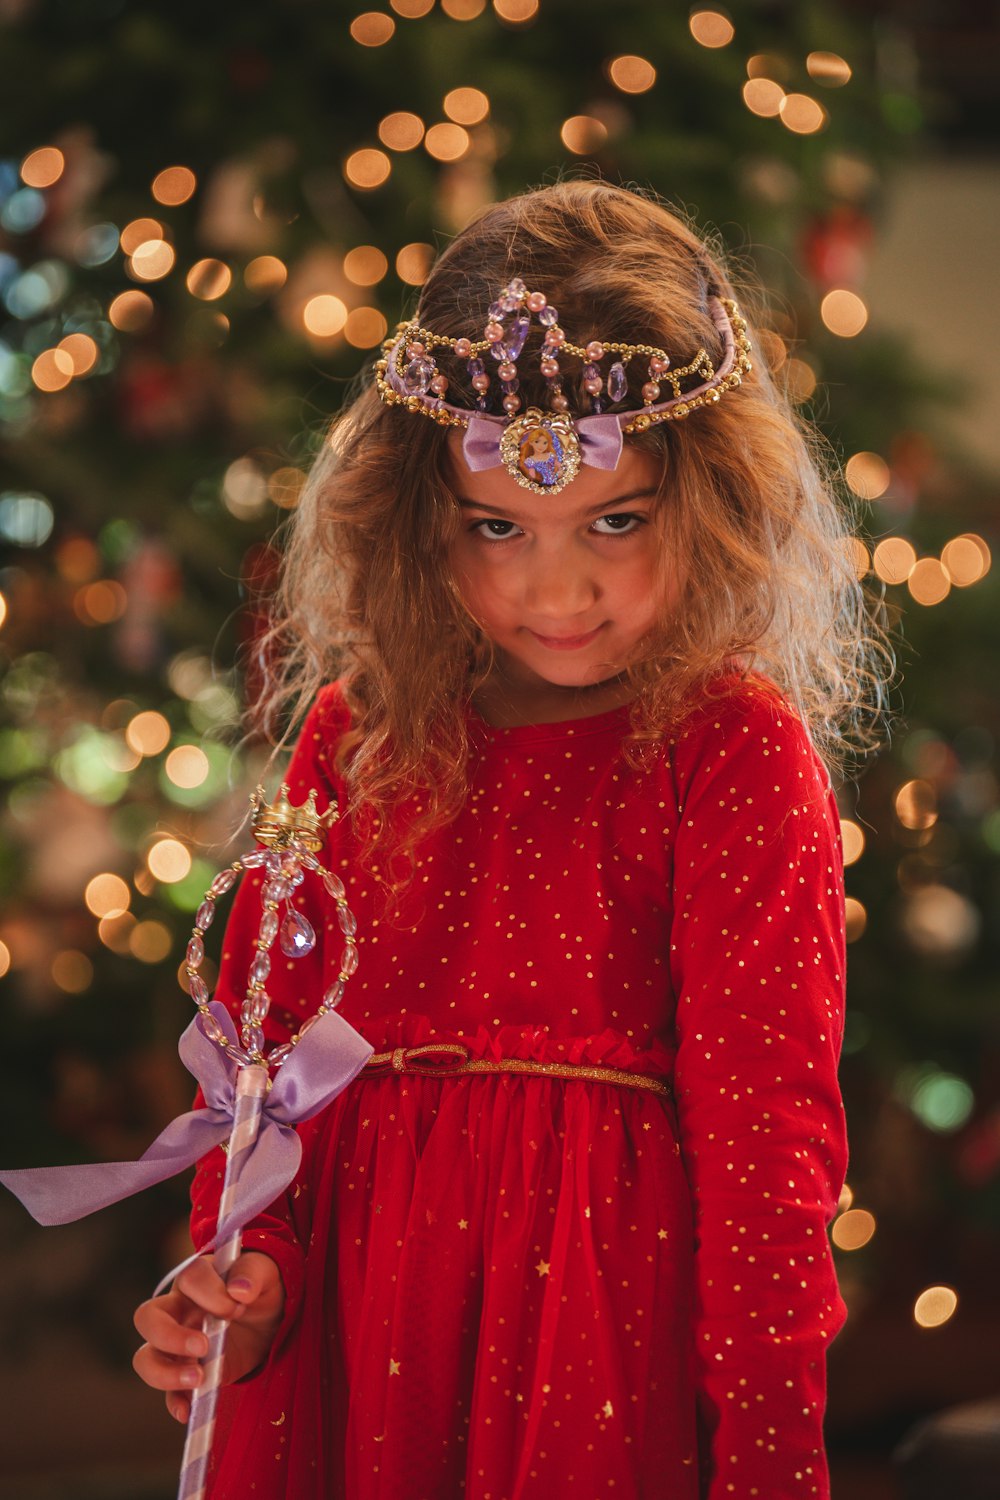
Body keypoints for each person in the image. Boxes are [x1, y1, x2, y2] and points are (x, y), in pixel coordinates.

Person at [132, 180, 887, 1499]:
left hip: (595, 1345)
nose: (554, 588)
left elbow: (773, 1157)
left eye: (616, 520)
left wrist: (772, 1455)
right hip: (358, 1347)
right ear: (421, 515)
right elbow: (262, 1073)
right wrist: (244, 1269)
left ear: (706, 497)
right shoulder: (357, 736)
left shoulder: (732, 752)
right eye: (497, 528)